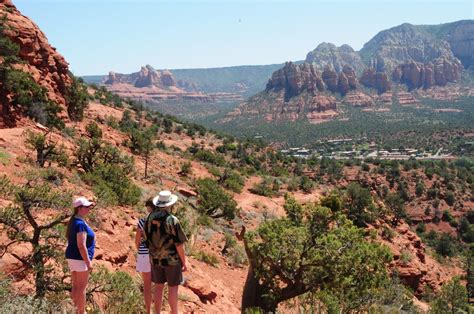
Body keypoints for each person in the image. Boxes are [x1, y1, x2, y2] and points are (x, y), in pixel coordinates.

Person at [144, 190, 188, 314]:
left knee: (158, 287)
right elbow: (179, 244)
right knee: (173, 288)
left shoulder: (149, 218)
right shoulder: (172, 220)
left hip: (155, 259)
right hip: (172, 260)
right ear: (169, 204)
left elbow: (146, 240)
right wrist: (184, 262)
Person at [65, 197, 96, 314]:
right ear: (80, 208)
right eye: (87, 207)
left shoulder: (74, 221)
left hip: (72, 256)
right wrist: (88, 262)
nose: (89, 209)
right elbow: (81, 245)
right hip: (80, 258)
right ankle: (81, 312)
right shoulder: (80, 224)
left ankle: (73, 310)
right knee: (82, 288)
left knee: (76, 286)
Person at [134, 197, 155, 314]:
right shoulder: (162, 222)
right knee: (158, 285)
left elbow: (136, 241)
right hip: (157, 255)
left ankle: (148, 311)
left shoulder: (142, 222)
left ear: (149, 207)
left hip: (144, 253)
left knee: (147, 285)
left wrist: (141, 251)